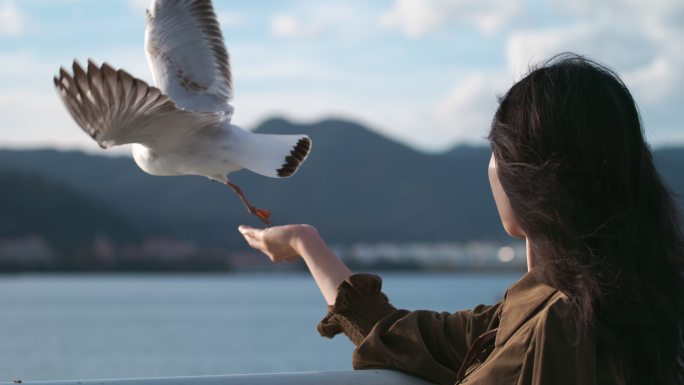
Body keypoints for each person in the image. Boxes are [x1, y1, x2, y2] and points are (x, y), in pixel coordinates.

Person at [237, 53, 684, 385]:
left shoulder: (561, 329)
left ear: (531, 180)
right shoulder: (617, 299)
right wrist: (304, 242)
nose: (490, 166)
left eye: (498, 151)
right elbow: (397, 335)